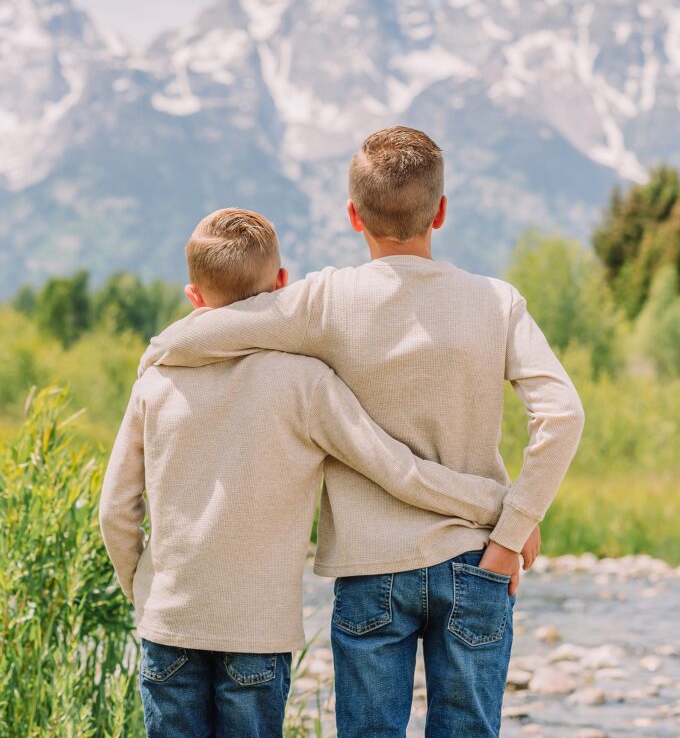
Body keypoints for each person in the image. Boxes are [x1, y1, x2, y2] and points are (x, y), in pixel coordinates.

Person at [141, 126, 585, 738]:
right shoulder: (497, 302)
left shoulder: (327, 299)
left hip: (371, 568)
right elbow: (563, 416)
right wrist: (513, 529)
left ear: (353, 215)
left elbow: (213, 330)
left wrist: (157, 356)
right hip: (479, 554)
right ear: (442, 210)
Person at [100, 206, 522, 738]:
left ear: (193, 296)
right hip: (258, 636)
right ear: (280, 285)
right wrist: (499, 508)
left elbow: (116, 511)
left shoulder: (155, 384)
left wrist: (145, 594)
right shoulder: (304, 383)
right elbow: (396, 470)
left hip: (167, 624)